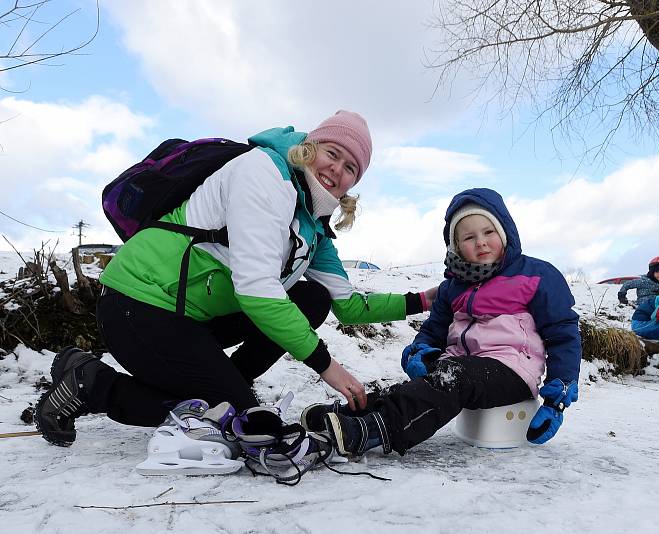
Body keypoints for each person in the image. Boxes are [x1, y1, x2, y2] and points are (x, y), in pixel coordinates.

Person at [35, 110, 435, 449]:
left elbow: (348, 306)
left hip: (191, 315)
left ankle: (226, 386)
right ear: (310, 148)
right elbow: (257, 289)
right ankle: (92, 384)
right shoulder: (264, 172)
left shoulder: (311, 224)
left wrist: (425, 299)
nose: (338, 170)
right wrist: (327, 366)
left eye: (351, 168)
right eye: (333, 154)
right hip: (139, 305)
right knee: (237, 422)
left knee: (311, 298)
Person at [300, 188, 581, 457]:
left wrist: (557, 397)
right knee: (429, 382)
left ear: (505, 232)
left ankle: (373, 431)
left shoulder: (535, 276)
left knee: (453, 376)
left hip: (512, 370)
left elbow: (563, 334)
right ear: (456, 246)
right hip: (461, 366)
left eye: (489, 232)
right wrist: (421, 350)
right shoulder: (453, 286)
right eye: (469, 237)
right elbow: (435, 329)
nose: (481, 242)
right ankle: (358, 411)